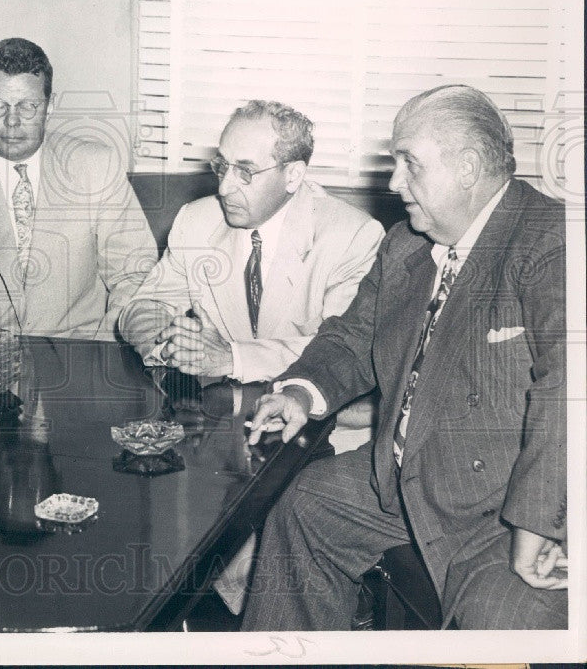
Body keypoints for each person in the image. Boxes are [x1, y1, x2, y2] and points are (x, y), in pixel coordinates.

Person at [243, 85, 567, 630]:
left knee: (505, 620)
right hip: (400, 472)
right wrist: (301, 390)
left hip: (498, 506)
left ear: (467, 168)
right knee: (303, 506)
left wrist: (537, 523)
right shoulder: (406, 245)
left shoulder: (549, 242)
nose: (393, 183)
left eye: (408, 163)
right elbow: (352, 337)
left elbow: (572, 386)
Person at [119, 99, 384, 615]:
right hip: (226, 426)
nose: (223, 186)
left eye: (245, 171)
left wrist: (231, 357)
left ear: (293, 174)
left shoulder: (352, 235)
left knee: (239, 544)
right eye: (222, 165)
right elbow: (141, 305)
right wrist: (164, 335)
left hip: (321, 431)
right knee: (153, 515)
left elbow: (340, 349)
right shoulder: (197, 222)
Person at [0, 37, 157, 339]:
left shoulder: (97, 167)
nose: (12, 121)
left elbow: (134, 276)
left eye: (28, 106)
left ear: (50, 106)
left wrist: (101, 353)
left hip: (83, 355)